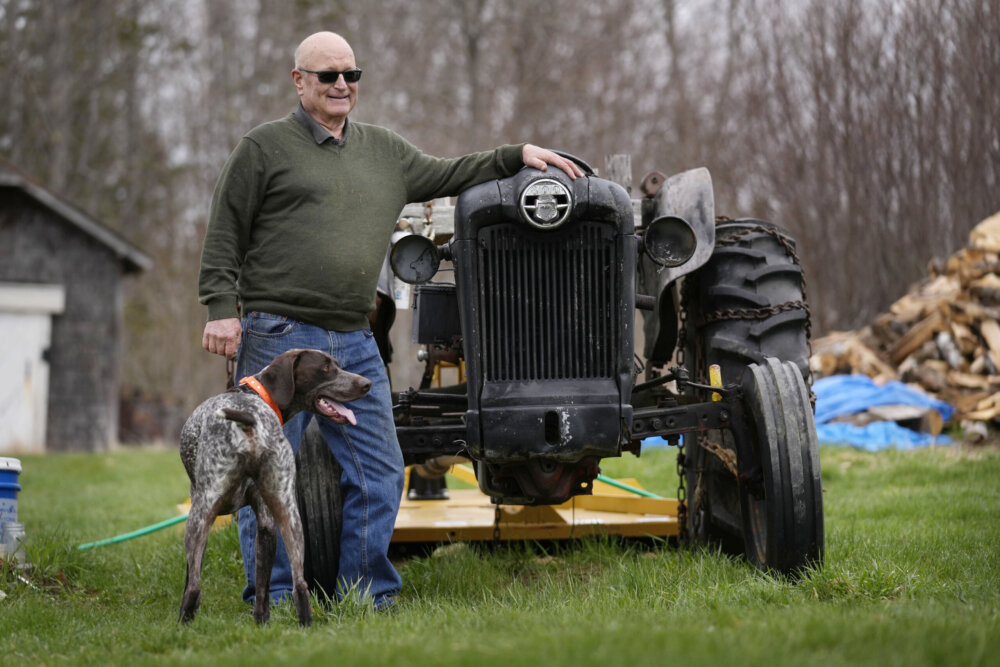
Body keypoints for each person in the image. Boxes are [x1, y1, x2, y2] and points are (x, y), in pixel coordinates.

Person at [198, 31, 583, 612]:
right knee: (265, 477)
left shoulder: (385, 152)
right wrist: (220, 310)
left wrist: (516, 155)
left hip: (352, 341)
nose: (341, 86)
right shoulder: (263, 148)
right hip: (278, 338)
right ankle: (272, 598)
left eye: (352, 75)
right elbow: (224, 229)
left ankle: (364, 597)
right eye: (327, 75)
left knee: (379, 471)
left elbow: (452, 172)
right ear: (298, 80)